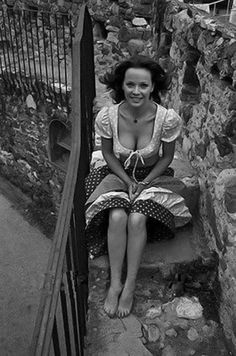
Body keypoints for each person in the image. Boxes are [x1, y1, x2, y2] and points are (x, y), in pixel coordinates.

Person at [85, 55, 192, 318]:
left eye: (143, 85)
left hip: (154, 176)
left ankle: (130, 286)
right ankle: (115, 283)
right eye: (130, 84)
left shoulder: (166, 118)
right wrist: (126, 180)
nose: (136, 91)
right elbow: (108, 154)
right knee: (118, 214)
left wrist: (143, 182)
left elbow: (167, 157)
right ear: (121, 85)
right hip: (118, 173)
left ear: (153, 87)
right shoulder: (108, 116)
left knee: (137, 217)